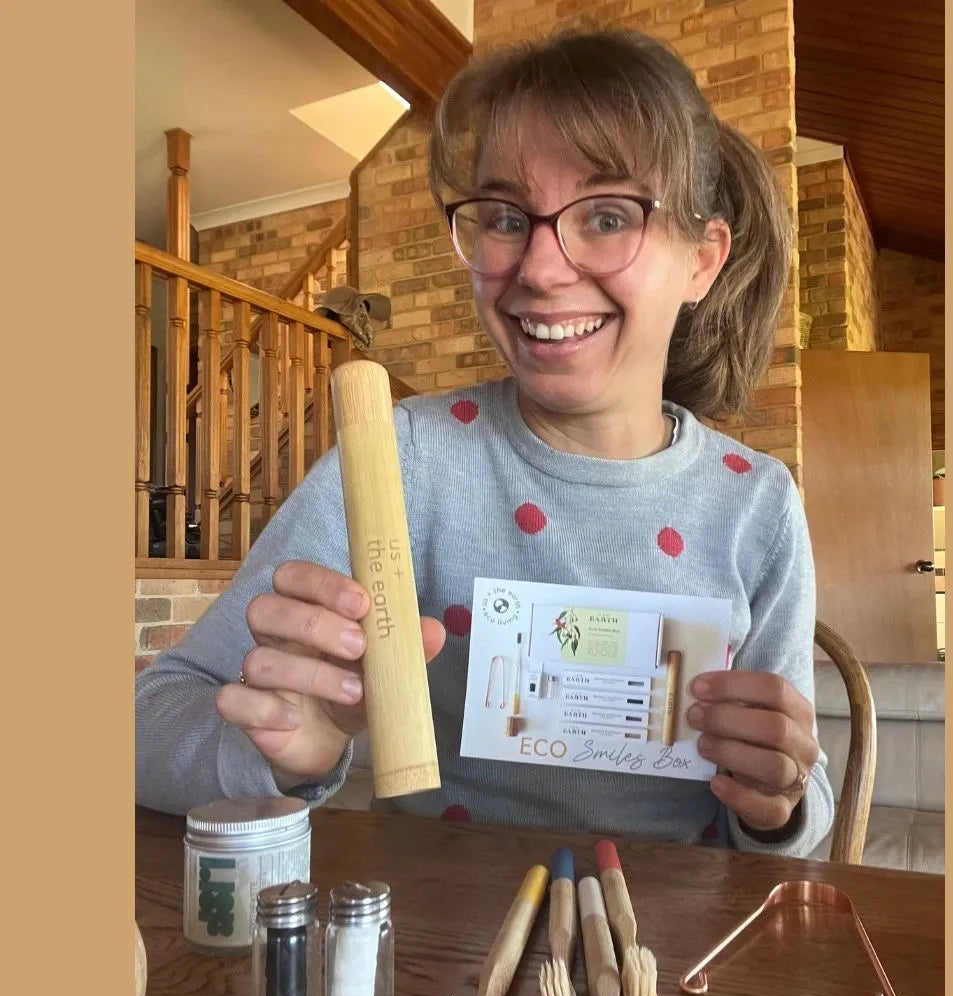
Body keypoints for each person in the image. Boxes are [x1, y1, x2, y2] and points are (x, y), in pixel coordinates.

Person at [136, 27, 834, 858]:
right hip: (433, 954)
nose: (539, 267)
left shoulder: (757, 503)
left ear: (702, 262)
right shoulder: (402, 461)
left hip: (668, 958)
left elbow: (795, 806)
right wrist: (279, 749)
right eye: (505, 217)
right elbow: (150, 724)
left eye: (607, 215)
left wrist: (779, 800)